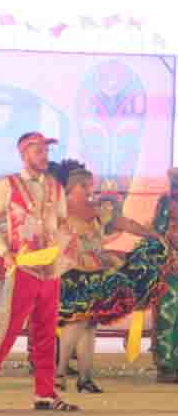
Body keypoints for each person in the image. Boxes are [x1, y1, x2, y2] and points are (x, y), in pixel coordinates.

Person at [0, 132, 79, 413]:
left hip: (50, 270)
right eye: (38, 151)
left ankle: (45, 394)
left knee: (46, 332)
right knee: (6, 329)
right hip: (23, 266)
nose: (45, 156)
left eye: (46, 151)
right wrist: (4, 252)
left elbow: (63, 225)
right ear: (24, 154)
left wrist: (64, 251)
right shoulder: (8, 185)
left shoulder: (55, 187)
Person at [50, 159, 166, 393]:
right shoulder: (58, 210)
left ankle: (84, 378)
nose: (90, 191)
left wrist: (151, 235)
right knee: (78, 321)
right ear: (74, 187)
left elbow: (125, 223)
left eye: (90, 186)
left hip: (94, 272)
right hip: (71, 274)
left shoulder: (96, 211)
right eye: (86, 187)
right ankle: (59, 374)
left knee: (89, 324)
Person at [151, 168, 178, 383]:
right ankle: (166, 365)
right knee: (167, 315)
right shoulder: (165, 203)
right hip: (170, 268)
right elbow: (158, 232)